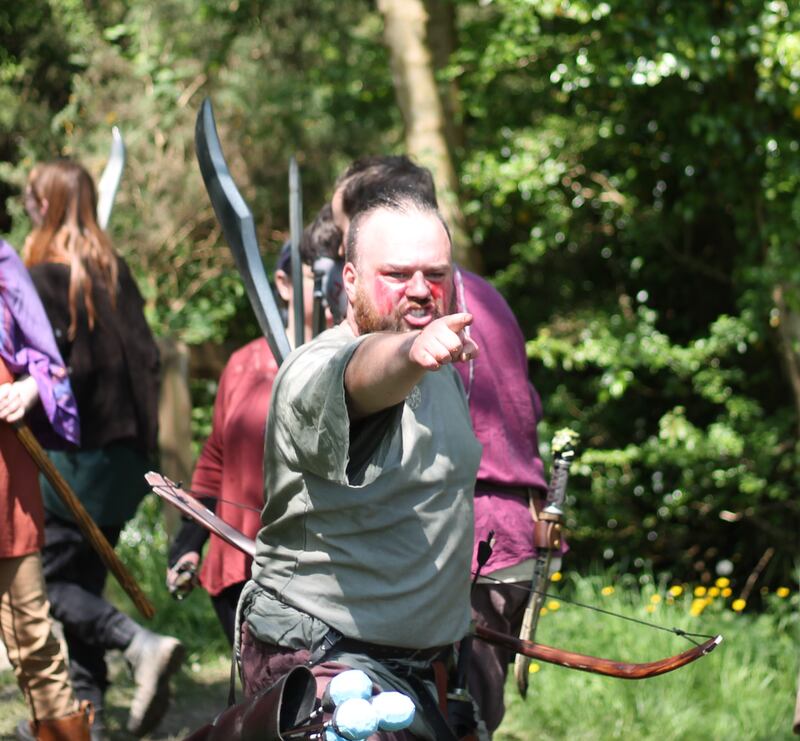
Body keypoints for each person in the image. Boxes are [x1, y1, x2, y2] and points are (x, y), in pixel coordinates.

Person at [239, 194, 482, 740]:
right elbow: (364, 373)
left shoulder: (442, 368)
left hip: (423, 667)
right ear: (349, 280)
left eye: (435, 274)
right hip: (322, 660)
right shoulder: (314, 368)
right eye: (396, 274)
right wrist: (408, 352)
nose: (420, 288)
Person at [329, 156, 550, 736]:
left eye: (345, 229)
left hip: (459, 538)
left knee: (443, 722)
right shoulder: (490, 297)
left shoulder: (412, 311)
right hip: (512, 531)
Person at [21, 159, 183, 739]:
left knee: (36, 585)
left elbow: (43, 374)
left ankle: (138, 645)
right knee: (81, 585)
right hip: (127, 465)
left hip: (77, 462)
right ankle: (80, 717)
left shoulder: (40, 281)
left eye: (30, 198)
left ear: (47, 205)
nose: (24, 207)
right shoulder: (117, 275)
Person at [165, 233, 337, 645]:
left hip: (324, 579)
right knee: (263, 704)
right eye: (317, 279)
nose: (332, 292)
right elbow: (215, 459)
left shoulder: (358, 364)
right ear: (284, 284)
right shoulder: (244, 363)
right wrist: (189, 543)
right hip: (240, 572)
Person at [0, 239, 92, 740]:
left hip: (5, 478)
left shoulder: (1, 261)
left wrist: (27, 389)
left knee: (32, 636)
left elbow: (48, 363)